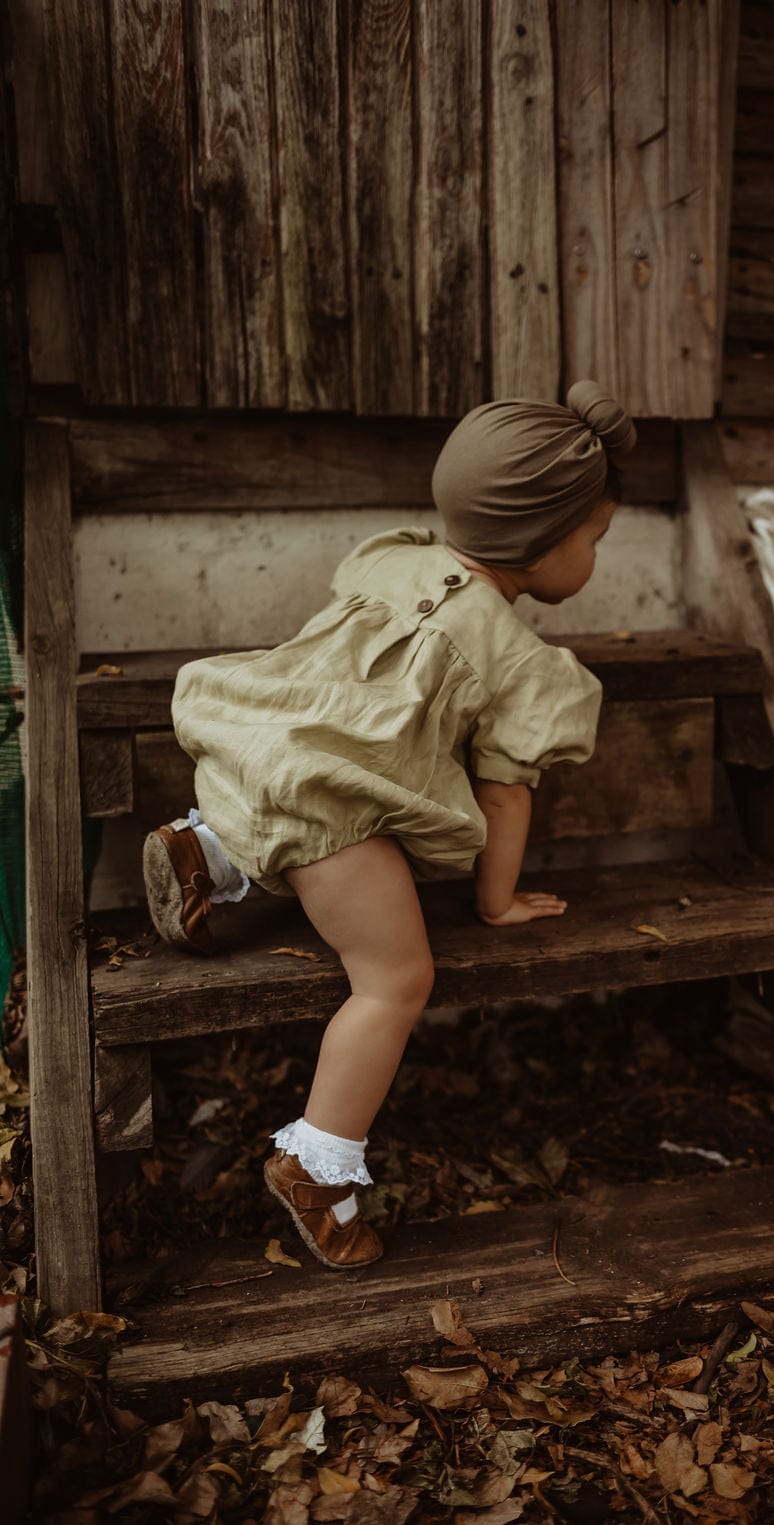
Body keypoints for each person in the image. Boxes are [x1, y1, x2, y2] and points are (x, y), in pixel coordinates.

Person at [143, 380, 636, 1269]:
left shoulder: (389, 560)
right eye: (594, 539)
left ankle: (205, 853)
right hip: (332, 809)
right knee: (396, 981)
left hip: (251, 752)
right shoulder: (518, 659)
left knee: (311, 804)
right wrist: (495, 903)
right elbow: (505, 794)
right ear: (544, 541)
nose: (597, 557)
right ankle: (318, 1164)